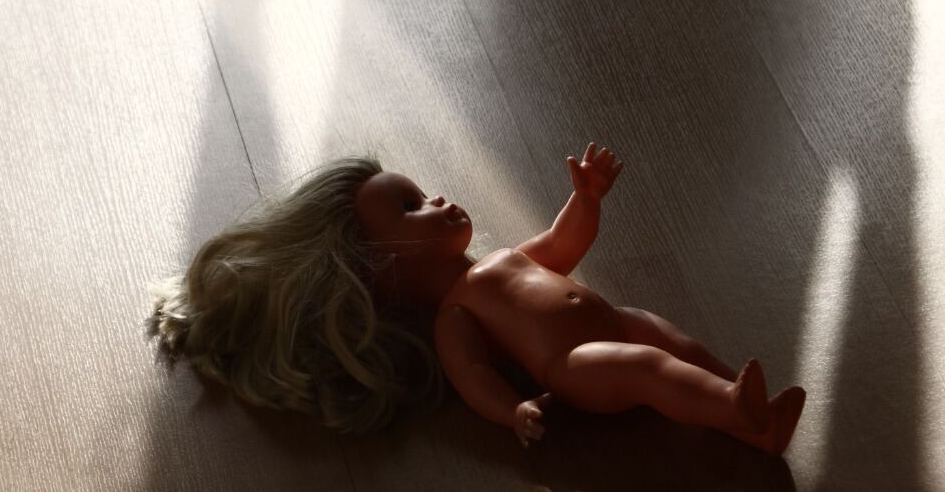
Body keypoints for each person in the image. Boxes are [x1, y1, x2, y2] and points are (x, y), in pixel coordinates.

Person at [149, 143, 804, 455]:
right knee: (647, 366)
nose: (436, 199)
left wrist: (586, 199)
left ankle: (757, 420)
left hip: (612, 323)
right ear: (380, 269)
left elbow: (562, 244)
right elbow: (474, 377)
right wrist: (513, 410)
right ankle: (728, 404)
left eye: (422, 191)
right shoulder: (456, 316)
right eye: (411, 208)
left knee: (660, 332)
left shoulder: (500, 261)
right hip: (574, 368)